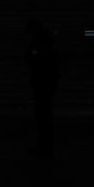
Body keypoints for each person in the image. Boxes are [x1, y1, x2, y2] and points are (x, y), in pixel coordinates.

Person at [23, 13, 61, 159]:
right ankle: (45, 146)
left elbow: (34, 59)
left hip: (42, 82)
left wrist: (30, 56)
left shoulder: (41, 43)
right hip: (47, 82)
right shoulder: (48, 41)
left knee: (43, 115)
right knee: (44, 115)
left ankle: (45, 147)